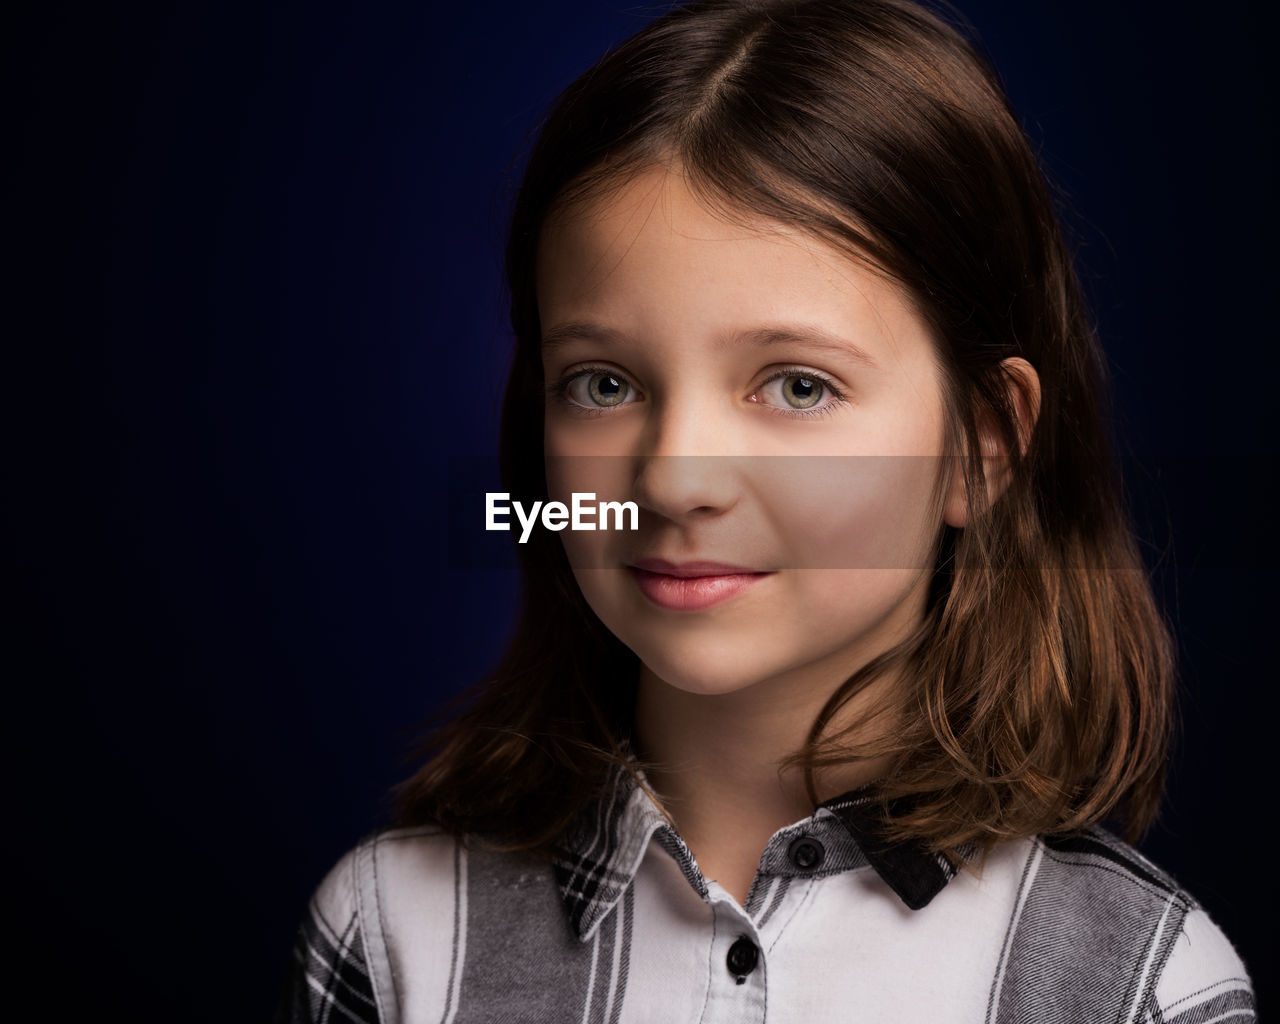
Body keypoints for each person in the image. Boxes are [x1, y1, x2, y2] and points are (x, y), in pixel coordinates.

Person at [276, 1, 1256, 1020]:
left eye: (795, 386)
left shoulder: (1140, 987)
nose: (672, 482)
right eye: (603, 384)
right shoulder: (393, 935)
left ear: (983, 442)